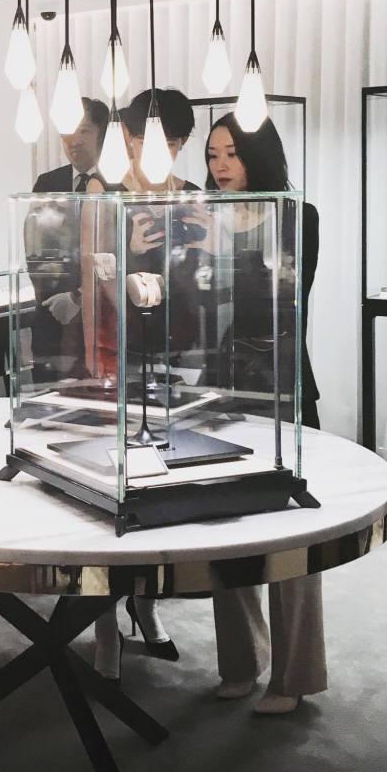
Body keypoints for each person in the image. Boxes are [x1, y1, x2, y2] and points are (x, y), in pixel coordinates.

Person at [205, 113, 326, 715]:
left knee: (290, 531)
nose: (220, 166)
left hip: (279, 378)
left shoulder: (296, 215)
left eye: (231, 153)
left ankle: (295, 674)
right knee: (222, 520)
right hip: (221, 380)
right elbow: (190, 299)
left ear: (258, 154)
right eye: (212, 155)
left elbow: (284, 297)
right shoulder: (203, 213)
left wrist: (215, 258)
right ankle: (241, 660)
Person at [83, 88, 199, 681]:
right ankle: (105, 625)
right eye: (145, 139)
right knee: (110, 485)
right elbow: (94, 278)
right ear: (126, 137)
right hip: (115, 344)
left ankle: (147, 605)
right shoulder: (102, 190)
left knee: (161, 482)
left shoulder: (189, 195)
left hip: (173, 343)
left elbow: (202, 277)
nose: (158, 151)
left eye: (173, 143)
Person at [27, 98, 109, 379]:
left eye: (84, 131)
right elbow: (34, 247)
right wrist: (53, 296)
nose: (74, 140)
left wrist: (79, 297)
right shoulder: (47, 183)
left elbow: (113, 253)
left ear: (101, 133)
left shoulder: (116, 184)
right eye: (66, 132)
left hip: (100, 313)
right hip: (52, 311)